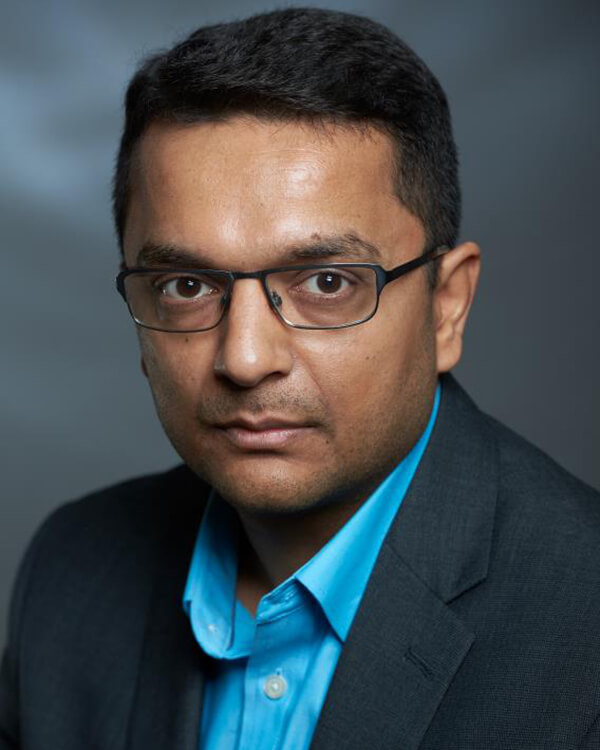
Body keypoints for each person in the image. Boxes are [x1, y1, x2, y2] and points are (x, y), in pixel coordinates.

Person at [1, 7, 599, 749]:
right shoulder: (70, 574)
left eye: (326, 282)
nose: (246, 359)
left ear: (446, 307)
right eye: (187, 286)